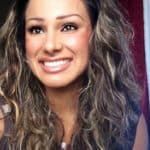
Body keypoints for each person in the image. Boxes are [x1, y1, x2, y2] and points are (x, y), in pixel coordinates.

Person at [0, 0, 148, 149]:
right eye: (37, 29)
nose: (51, 46)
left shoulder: (127, 120)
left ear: (98, 32)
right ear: (22, 40)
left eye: (68, 27)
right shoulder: (3, 118)